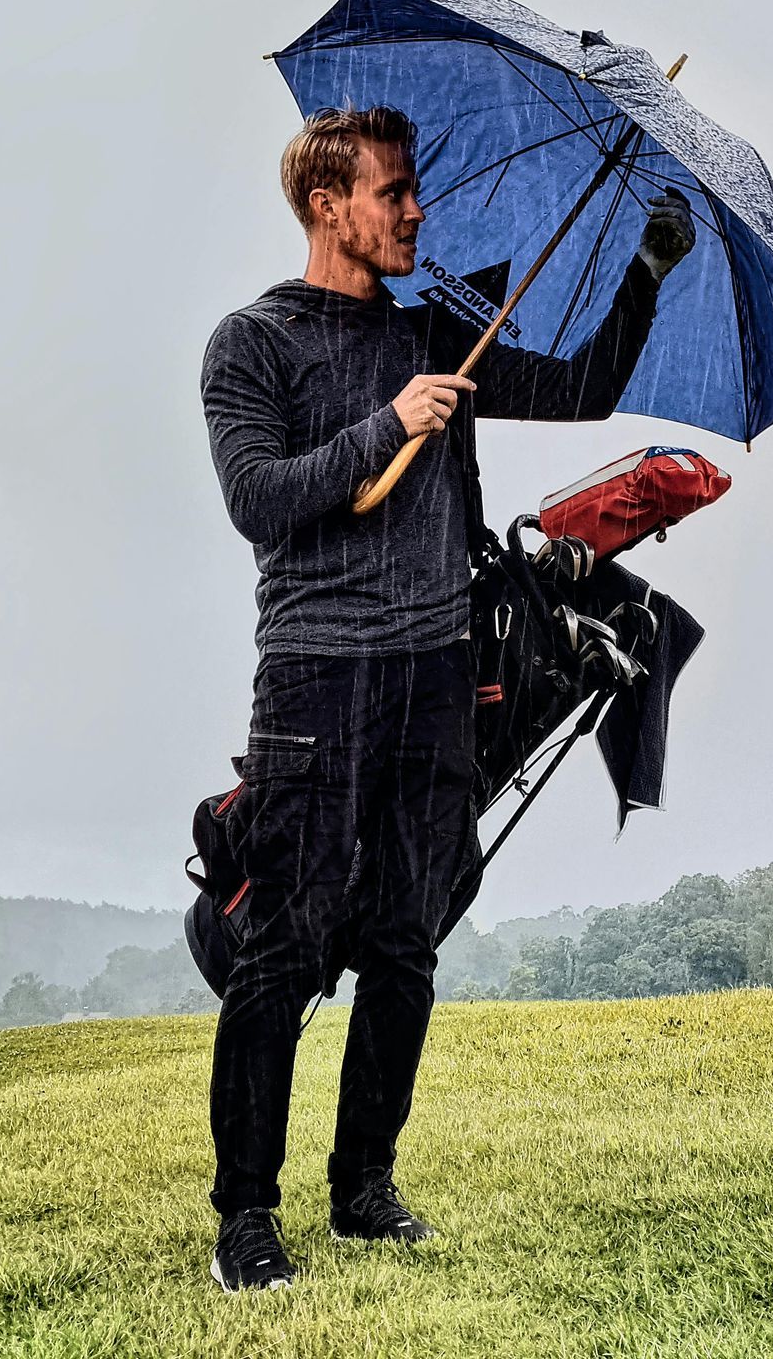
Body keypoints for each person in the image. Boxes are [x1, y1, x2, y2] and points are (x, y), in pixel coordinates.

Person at [198, 105, 695, 1293]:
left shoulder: (440, 333)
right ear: (329, 205)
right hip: (316, 676)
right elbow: (259, 500)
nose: (416, 210)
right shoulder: (252, 342)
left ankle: (364, 1187)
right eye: (395, 191)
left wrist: (646, 268)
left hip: (434, 676)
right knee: (285, 946)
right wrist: (390, 420)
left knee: (407, 944)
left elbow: (579, 387)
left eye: (414, 190)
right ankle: (246, 1219)